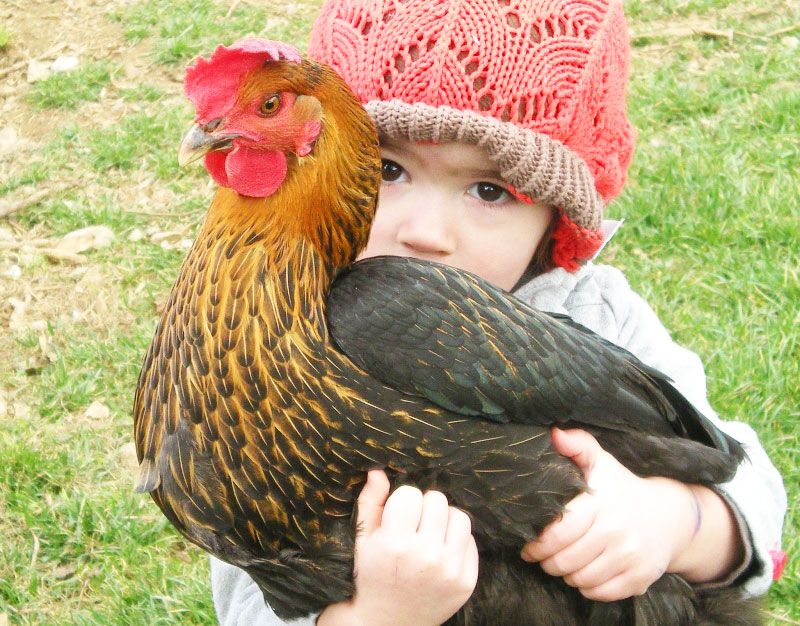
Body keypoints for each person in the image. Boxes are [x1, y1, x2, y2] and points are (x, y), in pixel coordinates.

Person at [210, 0, 787, 624]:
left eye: (489, 190)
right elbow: (249, 578)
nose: (426, 232)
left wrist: (672, 521)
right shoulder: (274, 345)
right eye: (388, 168)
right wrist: (374, 614)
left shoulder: (595, 315)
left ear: (554, 219)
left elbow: (744, 482)